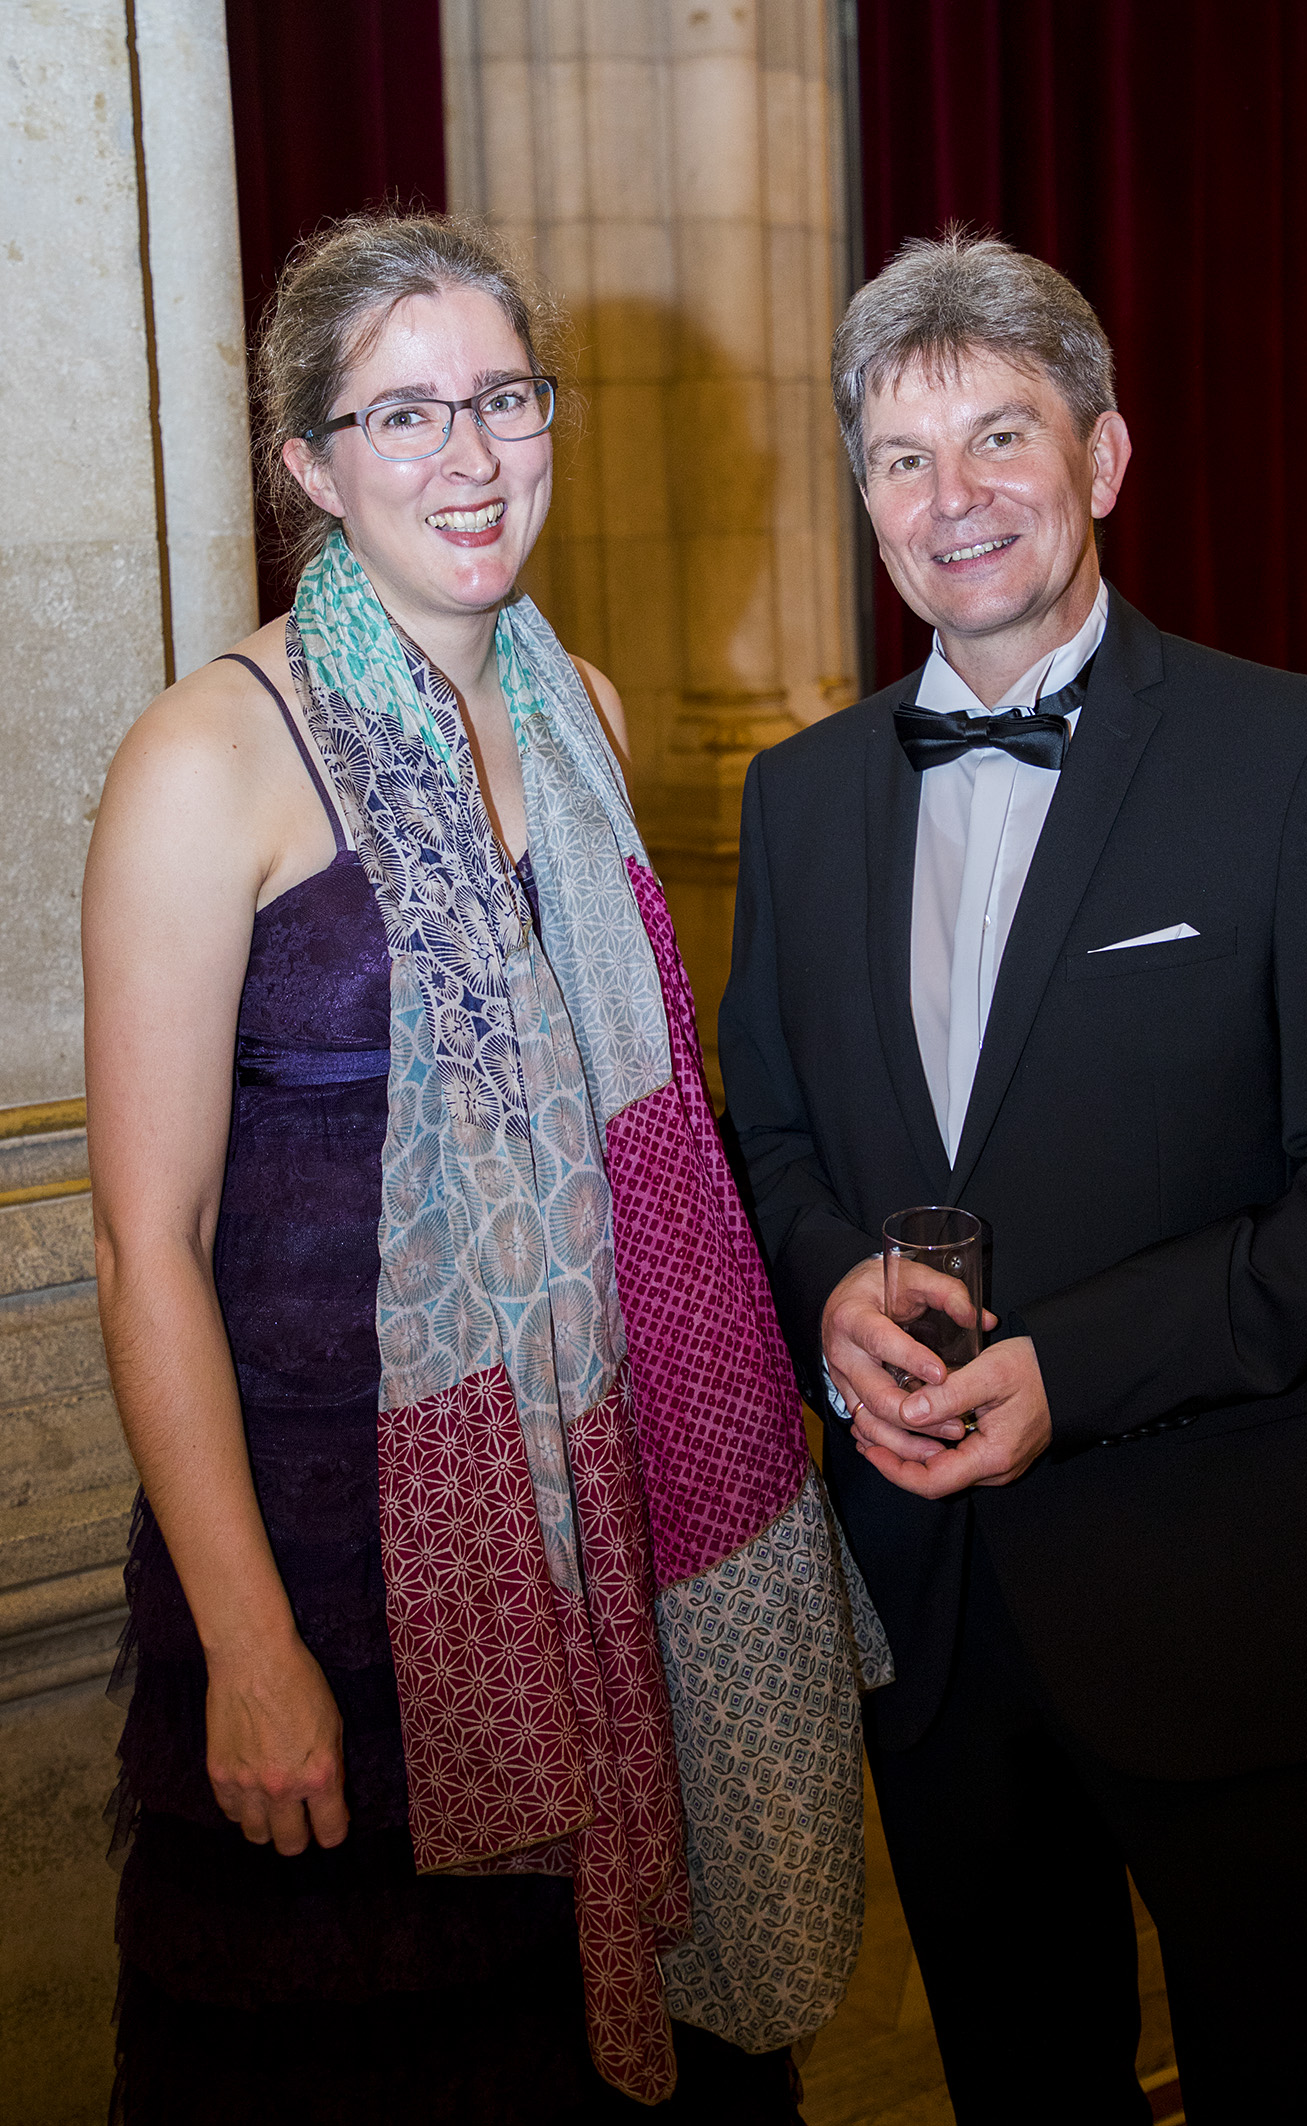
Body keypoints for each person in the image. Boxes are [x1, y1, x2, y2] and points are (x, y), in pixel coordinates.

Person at [85, 212, 884, 2126]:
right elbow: (143, 1244)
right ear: (310, 465)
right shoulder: (209, 756)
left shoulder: (581, 710)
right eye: (404, 414)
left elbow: (635, 1135)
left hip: (612, 1513)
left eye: (504, 399)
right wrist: (249, 1641)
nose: (469, 454)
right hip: (334, 1558)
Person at [718, 231, 1307, 2124]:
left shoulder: (1296, 751)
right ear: (864, 499)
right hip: (926, 1605)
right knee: (1022, 2087)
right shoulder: (797, 797)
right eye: (904, 458)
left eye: (1003, 435)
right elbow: (772, 1138)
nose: (954, 498)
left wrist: (1073, 1368)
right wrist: (826, 1285)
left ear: (1107, 455)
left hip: (1218, 1581)